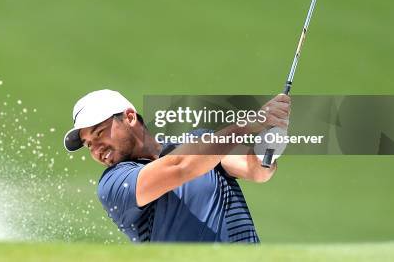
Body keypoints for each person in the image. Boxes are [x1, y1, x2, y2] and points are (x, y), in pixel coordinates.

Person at [63, 89, 290, 243]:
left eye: (100, 133)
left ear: (130, 117)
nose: (96, 149)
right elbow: (179, 167)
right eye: (88, 145)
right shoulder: (113, 184)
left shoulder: (202, 143)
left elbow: (257, 171)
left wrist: (268, 148)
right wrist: (250, 124)